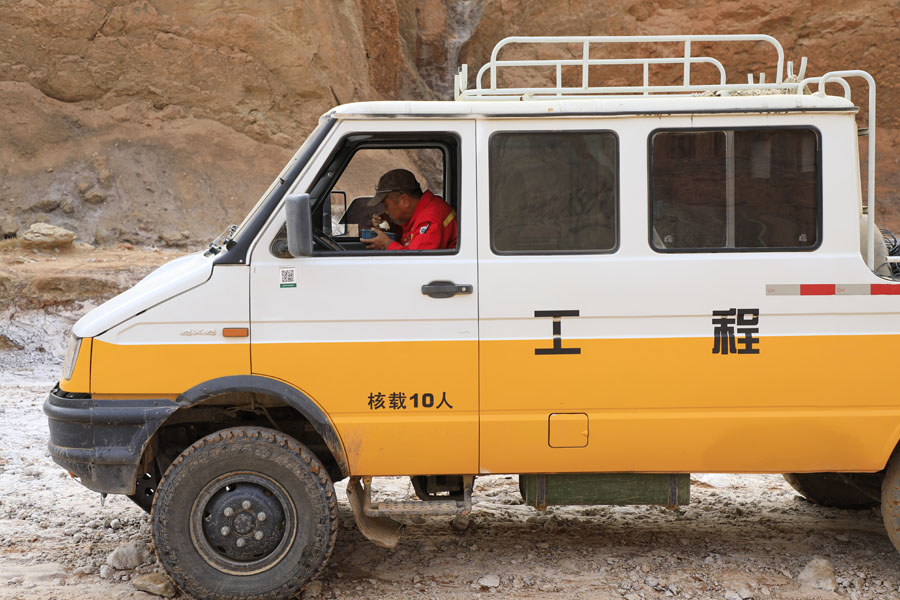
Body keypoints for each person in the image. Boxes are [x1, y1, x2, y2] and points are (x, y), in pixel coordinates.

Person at [362, 169, 457, 251]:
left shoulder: (430, 220)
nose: (386, 211)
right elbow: (412, 237)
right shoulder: (424, 211)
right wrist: (390, 227)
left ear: (404, 201)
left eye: (386, 205)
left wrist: (387, 244)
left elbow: (415, 262)